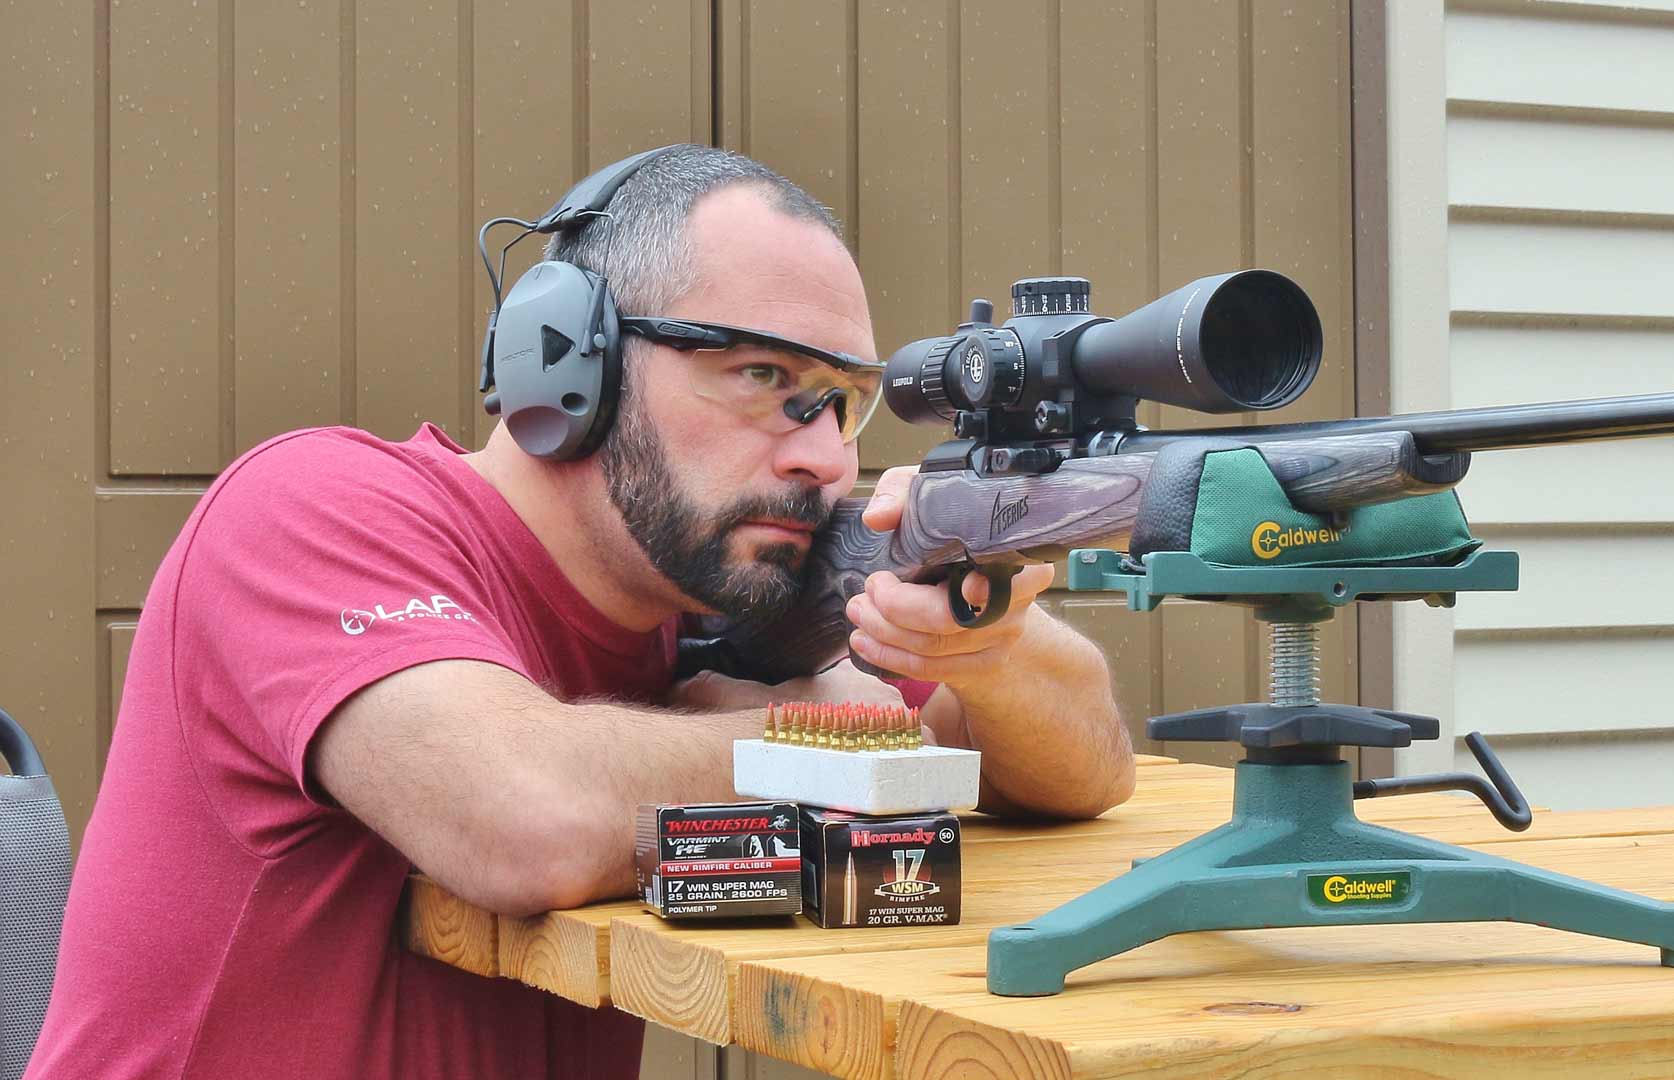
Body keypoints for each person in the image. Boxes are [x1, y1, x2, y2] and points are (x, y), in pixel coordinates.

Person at [26, 145, 1134, 1079]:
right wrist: (846, 736)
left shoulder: (726, 574)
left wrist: (976, 634)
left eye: (839, 402)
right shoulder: (311, 510)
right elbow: (525, 821)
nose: (822, 455)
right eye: (758, 377)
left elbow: (1086, 767)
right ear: (568, 362)